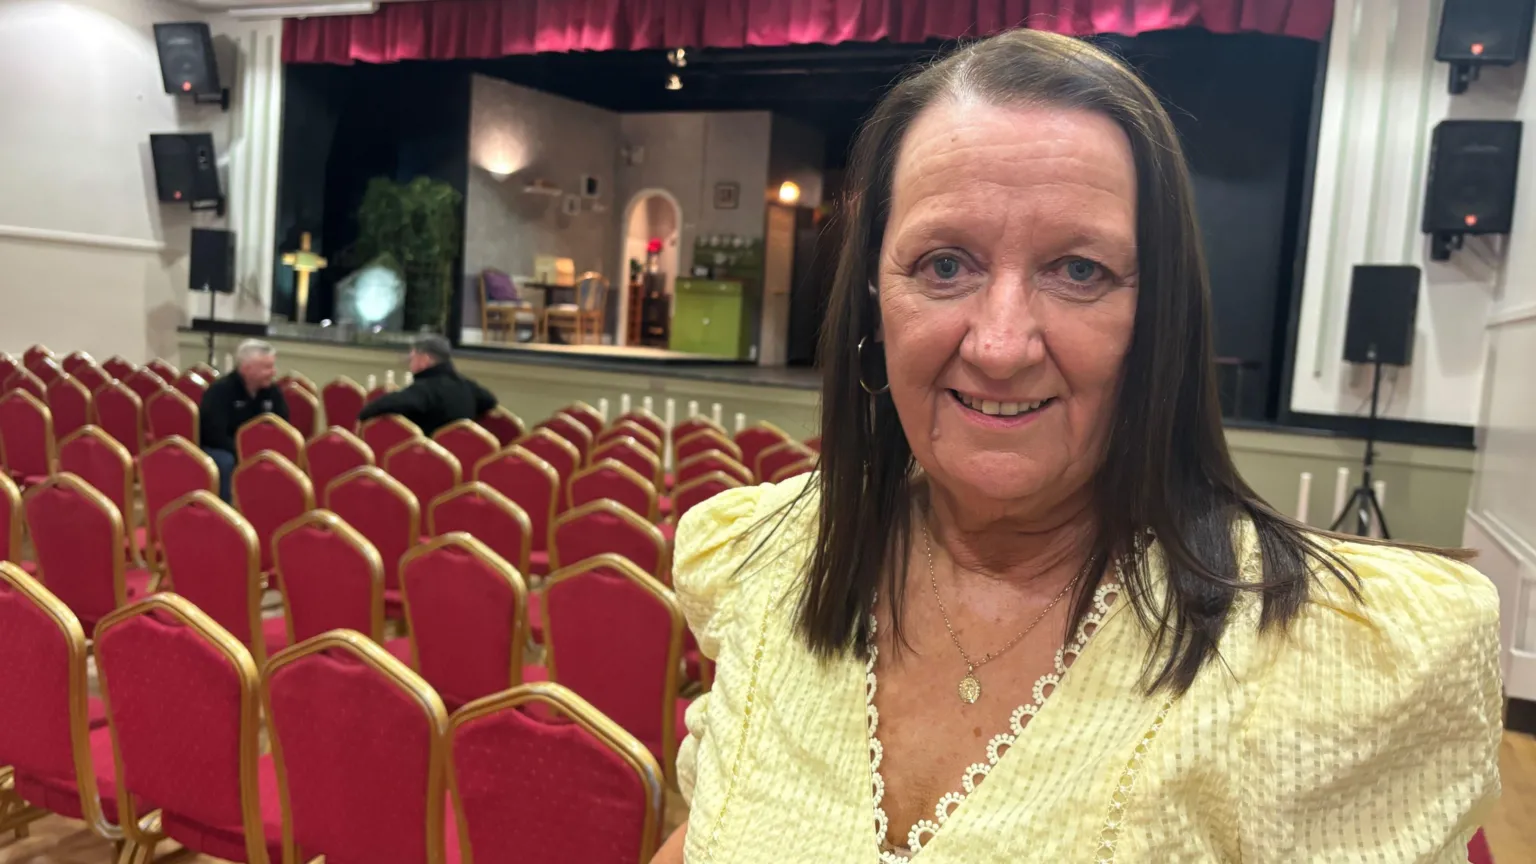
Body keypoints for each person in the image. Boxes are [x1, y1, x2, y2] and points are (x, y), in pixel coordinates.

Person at [656, 30, 1501, 864]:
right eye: (945, 265)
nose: (1000, 345)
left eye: (1079, 271)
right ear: (875, 297)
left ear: (1157, 315)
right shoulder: (773, 560)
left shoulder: (1319, 658)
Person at [199, 339, 289, 502]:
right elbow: (214, 435)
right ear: (247, 368)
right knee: (225, 462)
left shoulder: (273, 392)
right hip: (225, 449)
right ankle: (224, 510)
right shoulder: (220, 391)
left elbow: (283, 427)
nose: (273, 372)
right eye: (267, 367)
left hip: (262, 451)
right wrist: (244, 452)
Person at [356, 335, 497, 436]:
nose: (410, 363)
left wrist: (364, 413)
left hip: (430, 457)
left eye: (412, 358)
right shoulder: (467, 385)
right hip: (466, 456)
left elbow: (391, 403)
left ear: (424, 359)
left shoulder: (425, 389)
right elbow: (490, 400)